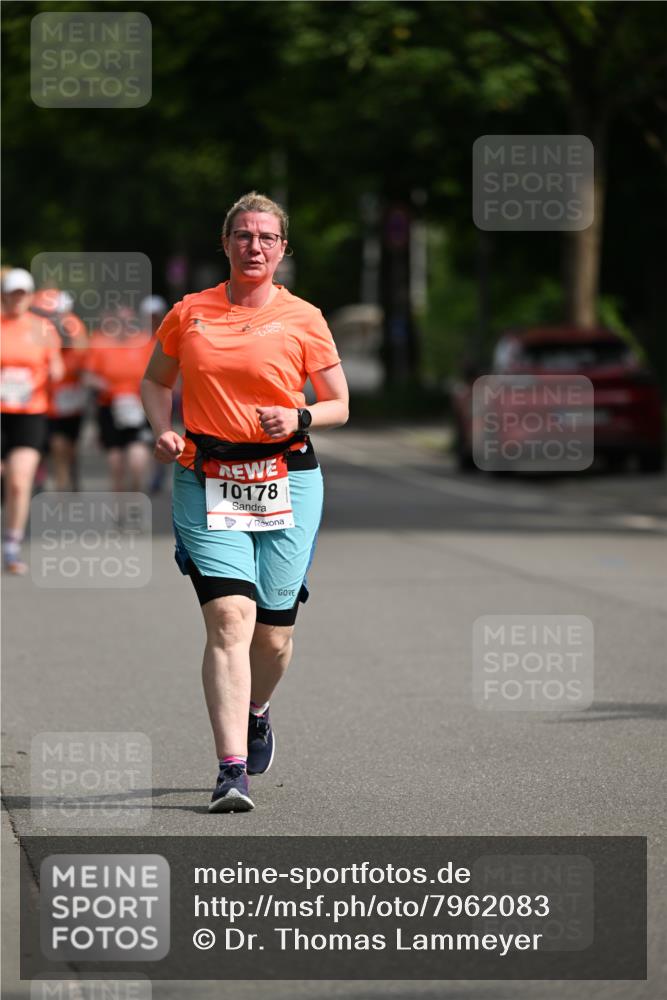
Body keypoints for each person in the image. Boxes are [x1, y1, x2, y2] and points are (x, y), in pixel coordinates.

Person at [141, 191, 349, 812]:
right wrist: (162, 429)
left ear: (282, 249)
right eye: (243, 235)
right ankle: (231, 770)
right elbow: (155, 381)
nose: (254, 246)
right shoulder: (189, 312)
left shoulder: (304, 317)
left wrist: (300, 415)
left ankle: (258, 709)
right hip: (206, 476)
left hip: (287, 477)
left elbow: (339, 404)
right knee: (231, 618)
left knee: (273, 636)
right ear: (226, 244)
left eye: (266, 237)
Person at [1, 268, 64, 573]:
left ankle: (12, 546)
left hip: (30, 413)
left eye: (22, 294)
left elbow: (58, 366)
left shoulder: (43, 328)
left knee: (18, 480)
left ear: (29, 297)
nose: (17, 299)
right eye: (12, 294)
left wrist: (55, 371)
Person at [85, 307, 155, 493]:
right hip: (110, 406)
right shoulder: (100, 342)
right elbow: (88, 375)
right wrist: (101, 384)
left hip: (139, 406)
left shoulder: (145, 343)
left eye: (128, 322)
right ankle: (119, 500)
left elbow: (159, 374)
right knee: (115, 460)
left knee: (137, 457)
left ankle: (137, 493)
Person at [32, 288, 89, 491]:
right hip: (49, 400)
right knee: (56, 445)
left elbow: (83, 355)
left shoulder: (74, 325)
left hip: (72, 397)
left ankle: (71, 473)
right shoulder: (40, 327)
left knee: (70, 446)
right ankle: (59, 486)